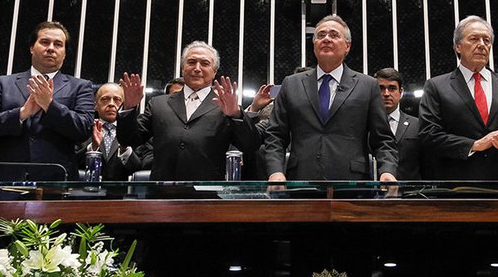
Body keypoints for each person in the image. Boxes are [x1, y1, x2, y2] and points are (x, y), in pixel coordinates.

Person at [263, 15, 398, 181]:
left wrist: (387, 171)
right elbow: (275, 135)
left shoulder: (367, 85)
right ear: (314, 45)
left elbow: (383, 139)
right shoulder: (291, 84)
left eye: (334, 35)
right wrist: (275, 171)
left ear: (347, 45)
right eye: (321, 35)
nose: (326, 39)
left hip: (352, 183)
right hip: (300, 181)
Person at [0, 21, 94, 199]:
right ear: (32, 47)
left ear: (64, 53)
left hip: (56, 185)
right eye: (45, 42)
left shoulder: (80, 87)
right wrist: (22, 113)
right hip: (5, 184)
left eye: (58, 44)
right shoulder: (2, 83)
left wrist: (49, 106)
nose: (51, 48)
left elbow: (83, 129)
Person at [117, 41, 261, 180]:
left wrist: (236, 114)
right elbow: (128, 139)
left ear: (214, 71)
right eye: (191, 62)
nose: (197, 68)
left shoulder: (226, 106)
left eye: (205, 63)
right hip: (162, 193)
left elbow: (250, 145)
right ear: (183, 68)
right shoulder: (158, 104)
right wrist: (129, 108)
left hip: (208, 194)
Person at [418, 16, 498, 180]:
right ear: (458, 46)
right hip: (456, 187)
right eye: (473, 39)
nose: (481, 44)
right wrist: (475, 145)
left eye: (486, 40)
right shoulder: (436, 86)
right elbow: (428, 135)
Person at [76, 82, 150, 181]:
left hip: (124, 193)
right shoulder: (84, 128)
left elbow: (141, 168)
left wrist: (124, 149)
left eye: (117, 99)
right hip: (88, 191)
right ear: (95, 106)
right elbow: (73, 163)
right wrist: (92, 148)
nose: (111, 104)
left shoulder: (136, 130)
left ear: (124, 104)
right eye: (105, 99)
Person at [375, 67, 422, 180]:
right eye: (381, 88)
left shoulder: (417, 125)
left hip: (410, 194)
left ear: (401, 92)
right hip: (369, 193)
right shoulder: (363, 125)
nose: (386, 94)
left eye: (392, 88)